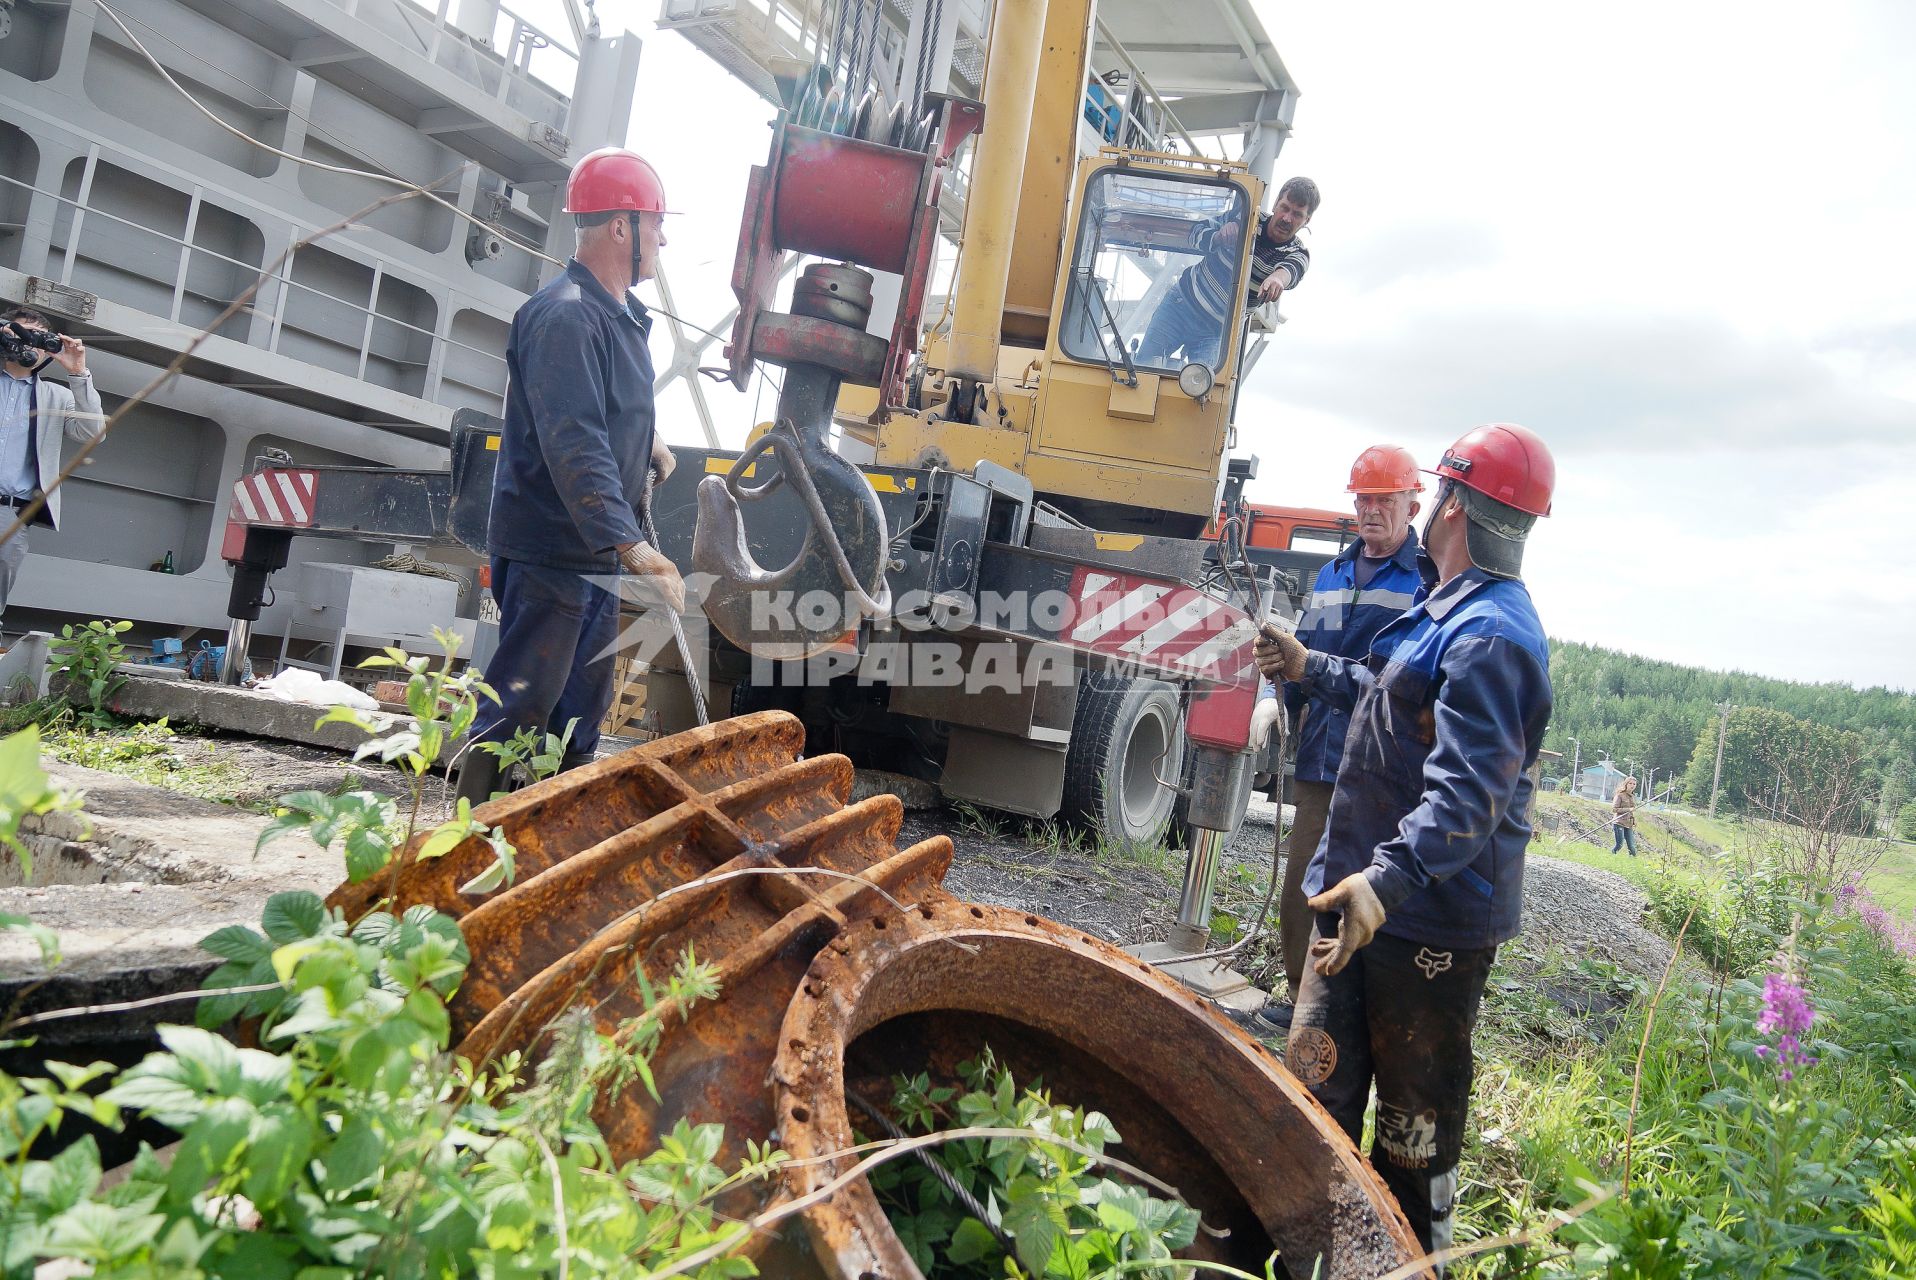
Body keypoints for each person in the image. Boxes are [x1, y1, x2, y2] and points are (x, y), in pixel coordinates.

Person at [1253, 423, 1555, 1263]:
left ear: (1450, 502)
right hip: (1353, 906)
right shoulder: (1447, 612)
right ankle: (1300, 1254)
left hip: (1418, 927)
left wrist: (1383, 886)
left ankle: (1402, 1262)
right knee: (1312, 1101)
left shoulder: (1492, 636)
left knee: (1409, 1148)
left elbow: (1471, 793)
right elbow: (1387, 697)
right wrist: (1308, 663)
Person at [455, 147, 684, 804]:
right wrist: (634, 544)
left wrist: (649, 443)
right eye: (656, 223)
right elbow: (571, 437)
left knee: (581, 715)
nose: (663, 238)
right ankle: (463, 845)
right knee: (521, 706)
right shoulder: (564, 314)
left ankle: (552, 852)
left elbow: (597, 405)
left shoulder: (613, 315)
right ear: (621, 228)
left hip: (589, 558)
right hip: (552, 550)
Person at [1253, 445, 1428, 1034]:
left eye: (1385, 500)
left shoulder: (1426, 581)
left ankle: (1351, 1008)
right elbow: (1302, 654)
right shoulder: (1331, 574)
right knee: (1305, 879)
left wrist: (1309, 667)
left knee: (1364, 884)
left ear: (1411, 503)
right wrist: (1278, 679)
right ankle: (1305, 999)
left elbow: (1396, 684)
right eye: (1364, 500)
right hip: (1321, 752)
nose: (1372, 511)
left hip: (1382, 762)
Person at [1134, 176, 1317, 371]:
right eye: (1285, 208)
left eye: (1297, 214)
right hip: (1179, 307)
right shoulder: (1244, 217)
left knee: (1202, 389)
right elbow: (1195, 232)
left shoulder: (1298, 253)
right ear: (1275, 204)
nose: (1287, 218)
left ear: (1307, 220)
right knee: (1141, 369)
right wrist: (1217, 236)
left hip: (1216, 332)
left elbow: (1291, 270)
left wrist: (1276, 279)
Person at [1611, 775, 1639, 855]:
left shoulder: (1633, 796)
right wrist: (1628, 809)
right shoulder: (1619, 795)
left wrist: (1634, 820)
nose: (1632, 785)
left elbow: (1631, 811)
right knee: (1619, 845)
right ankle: (1612, 854)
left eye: (1634, 784)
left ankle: (1633, 863)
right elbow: (1614, 809)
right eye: (1630, 783)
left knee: (1632, 847)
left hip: (1628, 824)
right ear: (1626, 784)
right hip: (1619, 822)